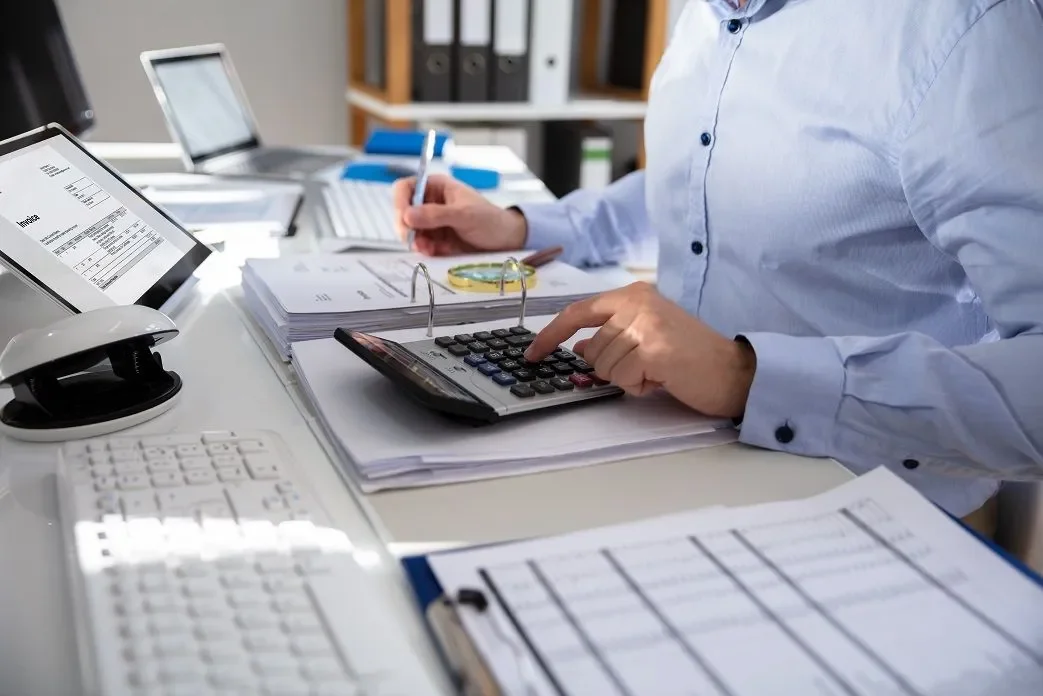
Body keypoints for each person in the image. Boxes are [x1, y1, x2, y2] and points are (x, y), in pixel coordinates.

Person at [392, 0, 1043, 532]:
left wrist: (746, 376)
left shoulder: (965, 28)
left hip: (872, 510)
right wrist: (522, 227)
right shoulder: (704, 15)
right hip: (675, 450)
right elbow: (713, 179)